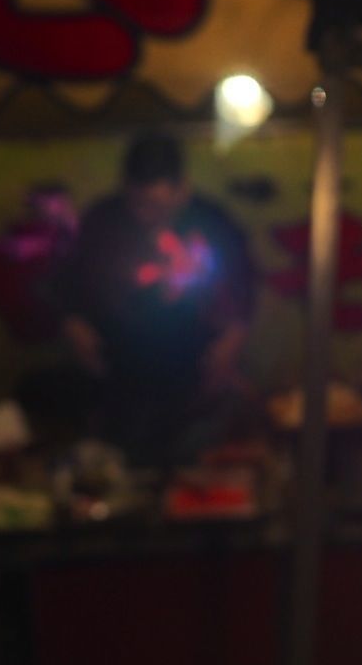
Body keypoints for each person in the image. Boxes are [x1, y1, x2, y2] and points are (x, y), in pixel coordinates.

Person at [53, 131, 255, 466]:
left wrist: (233, 339)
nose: (146, 215)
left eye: (157, 205)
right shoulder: (103, 221)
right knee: (126, 461)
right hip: (121, 366)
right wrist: (73, 323)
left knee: (191, 461)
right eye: (138, 204)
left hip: (194, 363)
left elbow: (243, 288)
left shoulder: (212, 222)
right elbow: (66, 283)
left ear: (182, 189)